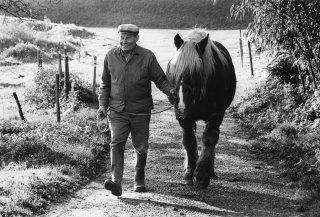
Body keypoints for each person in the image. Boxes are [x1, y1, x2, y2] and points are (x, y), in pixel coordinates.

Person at [97, 24, 175, 196]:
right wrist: (102, 105)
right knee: (116, 143)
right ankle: (116, 182)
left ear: (136, 38)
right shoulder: (110, 56)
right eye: (121, 38)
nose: (124, 41)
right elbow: (105, 83)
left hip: (140, 111)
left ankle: (139, 176)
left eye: (128, 38)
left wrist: (171, 91)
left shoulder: (147, 56)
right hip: (117, 110)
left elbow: (160, 79)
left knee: (140, 145)